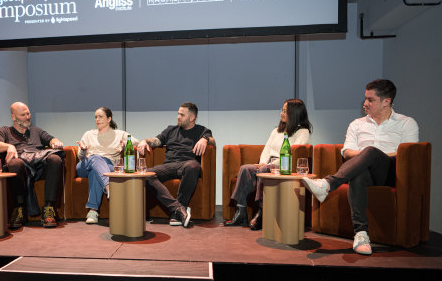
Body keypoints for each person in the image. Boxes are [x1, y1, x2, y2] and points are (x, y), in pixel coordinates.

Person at [302, 79, 419, 255]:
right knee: (359, 173)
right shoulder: (357, 124)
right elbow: (347, 152)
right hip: (364, 172)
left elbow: (408, 155)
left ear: (386, 101)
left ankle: (328, 184)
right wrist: (367, 158)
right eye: (365, 99)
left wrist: (372, 155)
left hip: (392, 173)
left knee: (370, 151)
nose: (365, 104)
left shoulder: (406, 123)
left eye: (370, 100)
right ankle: (361, 234)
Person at [225, 99, 312, 230]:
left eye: (284, 111)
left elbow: (292, 154)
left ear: (294, 113)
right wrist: (262, 163)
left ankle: (261, 212)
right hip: (269, 163)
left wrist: (269, 165)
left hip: (284, 165)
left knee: (265, 169)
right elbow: (267, 149)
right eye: (282, 110)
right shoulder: (277, 130)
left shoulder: (302, 132)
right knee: (245, 169)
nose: (281, 113)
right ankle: (241, 212)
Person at [138, 102, 215, 228]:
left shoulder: (202, 131)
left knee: (193, 166)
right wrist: (145, 141)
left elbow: (213, 141)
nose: (178, 117)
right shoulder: (171, 130)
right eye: (178, 113)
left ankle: (178, 211)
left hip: (187, 165)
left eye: (182, 115)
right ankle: (178, 209)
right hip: (169, 165)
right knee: (145, 174)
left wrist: (205, 139)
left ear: (192, 118)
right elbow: (156, 141)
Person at [0, 102, 65, 229]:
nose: (27, 117)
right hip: (21, 168)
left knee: (55, 159)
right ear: (13, 117)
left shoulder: (36, 131)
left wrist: (55, 141)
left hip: (39, 166)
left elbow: (50, 139)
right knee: (15, 163)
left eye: (28, 113)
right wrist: (9, 146)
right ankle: (19, 208)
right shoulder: (5, 131)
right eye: (23, 115)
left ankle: (48, 208)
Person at [76, 107, 139, 224]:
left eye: (100, 117)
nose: (97, 119)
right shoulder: (89, 134)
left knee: (96, 172)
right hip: (86, 163)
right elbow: (81, 156)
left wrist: (125, 143)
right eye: (95, 117)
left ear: (109, 119)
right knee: (95, 157)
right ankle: (108, 187)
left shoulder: (119, 134)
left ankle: (93, 211)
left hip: (108, 165)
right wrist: (84, 151)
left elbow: (136, 141)